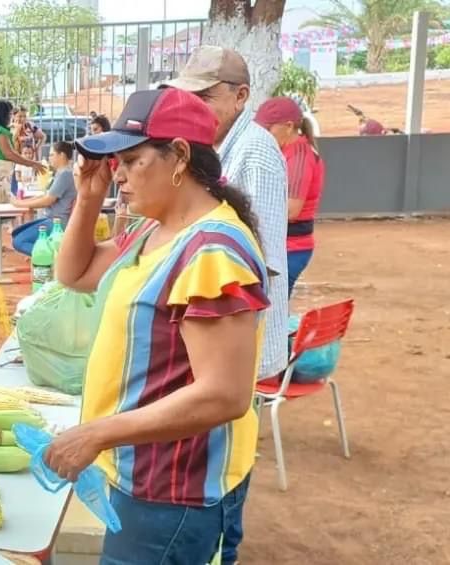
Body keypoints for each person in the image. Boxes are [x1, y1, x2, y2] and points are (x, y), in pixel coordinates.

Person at [47, 88, 268, 564]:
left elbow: (224, 394)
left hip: (174, 491)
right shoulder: (155, 229)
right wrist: (88, 199)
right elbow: (75, 273)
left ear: (180, 156)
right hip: (142, 474)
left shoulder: (212, 251)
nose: (118, 177)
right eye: (114, 165)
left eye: (131, 161)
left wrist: (96, 434)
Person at [164, 45, 289, 565]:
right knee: (215, 458)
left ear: (241, 96)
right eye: (187, 96)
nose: (195, 107)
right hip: (224, 335)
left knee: (227, 470)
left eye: (206, 97)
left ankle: (224, 550)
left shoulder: (254, 150)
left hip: (240, 338)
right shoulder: (220, 148)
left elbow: (253, 255)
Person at [256, 96, 325, 297]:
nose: (264, 135)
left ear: (287, 126)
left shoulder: (299, 155)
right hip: (285, 247)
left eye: (268, 129)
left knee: (272, 310)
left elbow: (291, 210)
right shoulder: (288, 152)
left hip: (290, 249)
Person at [0, 100, 46, 253]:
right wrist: (31, 163)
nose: (11, 116)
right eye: (10, 113)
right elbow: (8, 153)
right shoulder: (1, 131)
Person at [10, 140, 78, 256]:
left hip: (57, 222)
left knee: (18, 241)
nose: (49, 157)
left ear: (61, 155)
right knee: (16, 232)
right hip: (51, 218)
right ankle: (46, 253)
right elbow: (45, 195)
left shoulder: (65, 174)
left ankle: (50, 257)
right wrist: (21, 202)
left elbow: (48, 200)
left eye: (52, 154)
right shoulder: (60, 173)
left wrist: (19, 204)